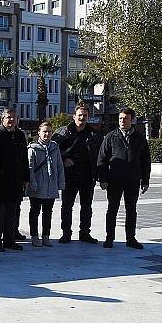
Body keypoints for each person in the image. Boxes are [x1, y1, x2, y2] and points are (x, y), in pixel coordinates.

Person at [97, 107, 151, 250]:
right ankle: (109, 238)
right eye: (120, 118)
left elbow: (146, 160)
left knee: (131, 209)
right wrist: (102, 179)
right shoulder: (110, 136)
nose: (122, 121)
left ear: (131, 120)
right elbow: (102, 159)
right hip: (114, 180)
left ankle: (130, 238)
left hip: (132, 180)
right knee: (112, 209)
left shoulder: (139, 138)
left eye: (125, 118)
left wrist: (145, 180)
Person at [52, 104, 102, 244]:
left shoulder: (94, 134)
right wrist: (64, 159)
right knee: (67, 206)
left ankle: (85, 233)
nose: (82, 117)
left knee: (86, 206)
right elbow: (53, 151)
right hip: (69, 175)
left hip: (87, 175)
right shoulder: (63, 132)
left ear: (88, 117)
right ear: (74, 116)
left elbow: (101, 155)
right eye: (80, 115)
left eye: (85, 115)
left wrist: (101, 175)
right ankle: (66, 233)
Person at [0, 108, 29, 252]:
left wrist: (26, 177)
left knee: (12, 213)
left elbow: (24, 158)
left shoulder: (20, 135)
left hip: (16, 180)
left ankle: (9, 240)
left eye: (14, 117)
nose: (11, 120)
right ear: (2, 119)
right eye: (8, 117)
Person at [26, 122, 65, 247]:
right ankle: (34, 236)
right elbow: (30, 168)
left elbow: (59, 166)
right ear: (39, 133)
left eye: (49, 131)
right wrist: (32, 183)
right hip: (37, 185)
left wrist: (61, 182)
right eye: (44, 131)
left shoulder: (55, 147)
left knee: (48, 212)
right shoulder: (32, 148)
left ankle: (46, 235)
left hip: (50, 185)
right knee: (35, 212)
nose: (47, 134)